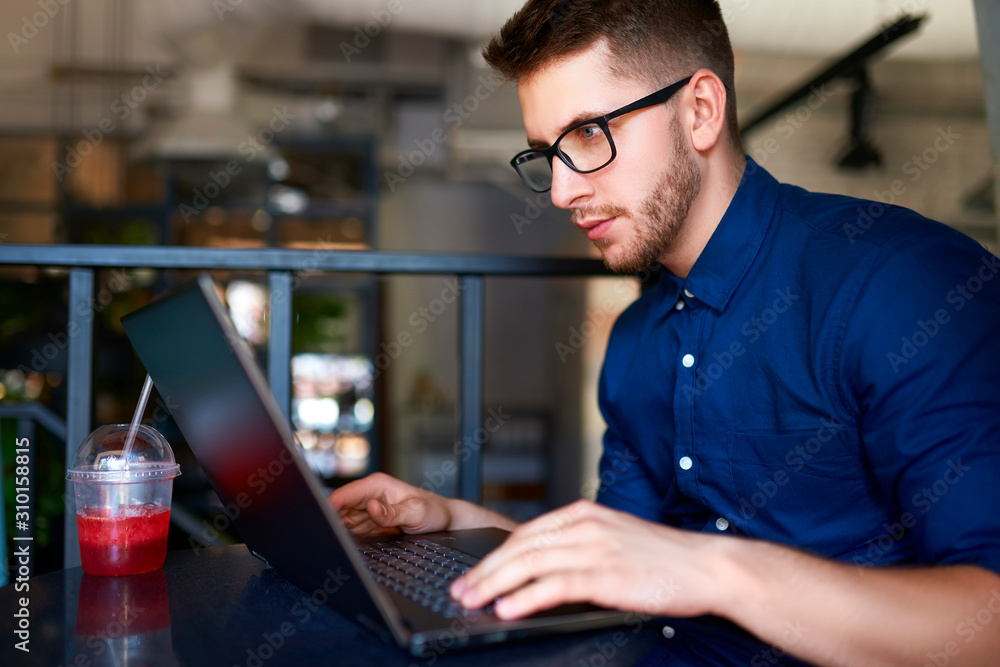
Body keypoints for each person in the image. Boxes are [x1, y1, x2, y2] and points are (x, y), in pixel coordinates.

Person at [330, 1, 1000, 664]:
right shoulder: (634, 341)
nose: (561, 190)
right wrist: (450, 521)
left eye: (589, 133)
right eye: (547, 153)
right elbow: (625, 558)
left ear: (700, 110)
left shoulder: (903, 285)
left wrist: (717, 569)